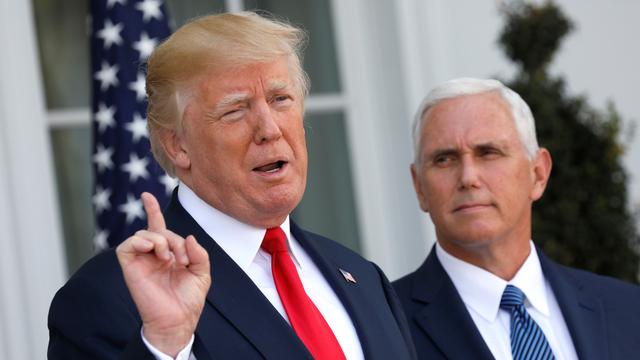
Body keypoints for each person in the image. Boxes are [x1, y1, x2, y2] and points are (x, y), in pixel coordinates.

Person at [48, 12, 416, 360]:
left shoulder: (364, 279)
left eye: (280, 99)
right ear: (178, 145)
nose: (270, 129)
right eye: (235, 110)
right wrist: (164, 345)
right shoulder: (109, 298)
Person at [393, 78, 640, 360]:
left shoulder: (628, 310)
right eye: (444, 160)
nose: (468, 178)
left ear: (538, 173)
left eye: (488, 153)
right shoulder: (381, 326)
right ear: (419, 187)